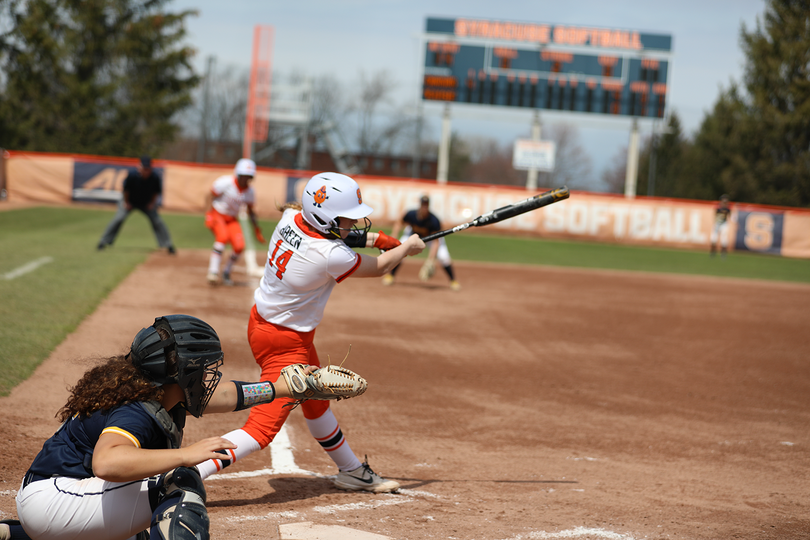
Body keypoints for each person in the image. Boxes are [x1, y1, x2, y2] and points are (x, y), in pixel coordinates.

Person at [194, 172, 425, 493]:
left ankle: (351, 470)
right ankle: (188, 470)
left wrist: (379, 239)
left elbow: (337, 237)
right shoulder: (331, 255)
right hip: (285, 344)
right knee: (261, 430)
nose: (352, 225)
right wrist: (407, 247)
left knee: (316, 402)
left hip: (266, 325)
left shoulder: (292, 217)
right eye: (346, 219)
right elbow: (381, 267)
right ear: (325, 217)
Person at [3, 314, 329, 540]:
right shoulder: (136, 411)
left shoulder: (152, 387)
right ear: (181, 373)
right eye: (201, 369)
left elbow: (228, 394)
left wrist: (283, 388)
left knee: (146, 524)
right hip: (57, 502)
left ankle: (12, 533)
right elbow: (107, 462)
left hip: (54, 500)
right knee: (178, 484)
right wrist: (186, 456)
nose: (207, 376)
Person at [204, 158, 266, 286]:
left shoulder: (250, 191)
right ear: (238, 174)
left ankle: (226, 272)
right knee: (222, 238)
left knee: (239, 247)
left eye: (248, 176)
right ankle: (213, 272)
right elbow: (210, 195)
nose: (245, 179)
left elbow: (250, 210)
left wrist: (256, 228)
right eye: (243, 175)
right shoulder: (225, 182)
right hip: (218, 214)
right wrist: (208, 214)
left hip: (232, 218)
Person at [97, 156, 176, 254]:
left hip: (146, 203)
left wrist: (152, 203)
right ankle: (103, 242)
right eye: (144, 168)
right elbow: (126, 191)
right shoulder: (132, 175)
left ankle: (168, 245)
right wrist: (126, 203)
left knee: (157, 221)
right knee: (118, 218)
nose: (146, 171)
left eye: (148, 169)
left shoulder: (155, 177)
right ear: (140, 167)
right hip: (129, 201)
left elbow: (156, 192)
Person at [382, 194, 460, 291]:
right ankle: (391, 276)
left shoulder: (434, 220)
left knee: (443, 257)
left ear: (428, 206)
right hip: (413, 235)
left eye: (426, 205)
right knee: (400, 251)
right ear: (420, 204)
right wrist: (394, 236)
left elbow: (436, 242)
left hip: (431, 238)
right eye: (423, 204)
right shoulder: (411, 214)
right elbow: (399, 222)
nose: (424, 207)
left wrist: (430, 260)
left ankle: (453, 280)